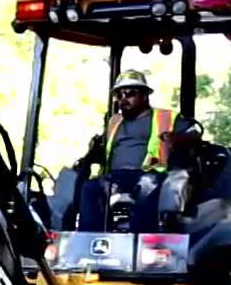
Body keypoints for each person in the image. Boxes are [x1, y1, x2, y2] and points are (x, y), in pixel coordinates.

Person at [69, 70, 176, 231]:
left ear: (145, 95)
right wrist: (92, 153)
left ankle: (140, 237)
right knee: (90, 188)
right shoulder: (114, 122)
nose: (123, 98)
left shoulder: (165, 117)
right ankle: (92, 238)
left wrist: (177, 139)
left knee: (148, 185)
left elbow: (193, 135)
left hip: (149, 173)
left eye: (130, 93)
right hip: (114, 176)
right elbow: (104, 150)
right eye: (119, 95)